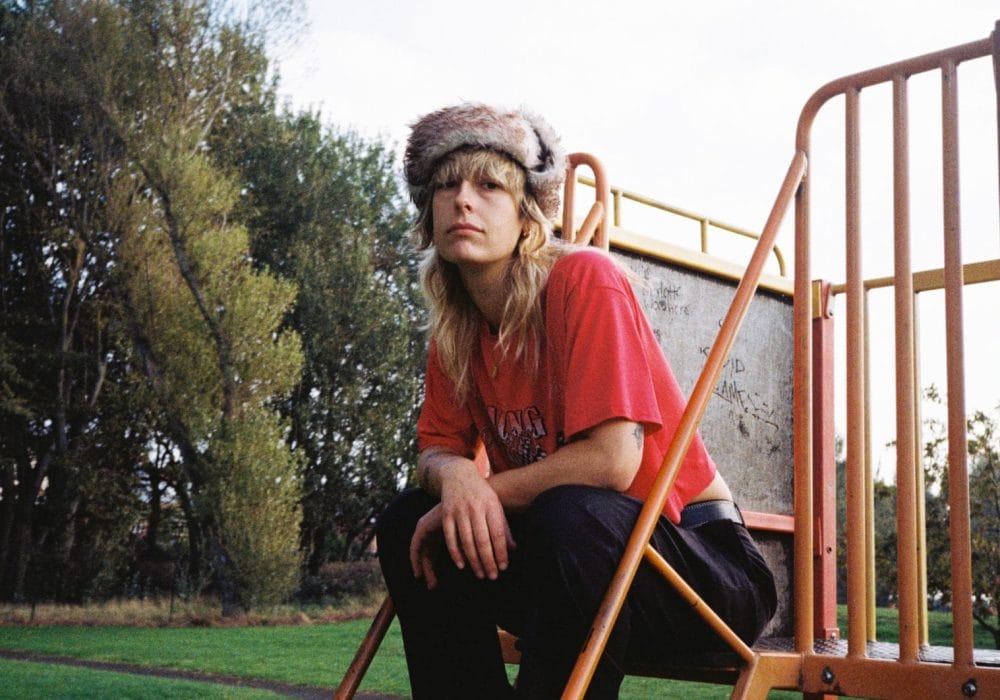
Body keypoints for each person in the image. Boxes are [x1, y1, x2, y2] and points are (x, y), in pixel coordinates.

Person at [376, 103, 776, 699]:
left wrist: (481, 492)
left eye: (489, 186)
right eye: (446, 186)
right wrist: (456, 476)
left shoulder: (584, 279)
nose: (463, 201)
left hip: (703, 572)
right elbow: (436, 449)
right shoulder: (456, 332)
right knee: (408, 521)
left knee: (572, 512)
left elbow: (612, 462)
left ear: (526, 215)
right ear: (427, 212)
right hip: (572, 563)